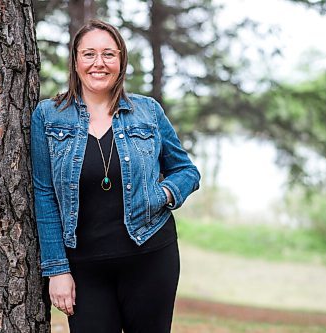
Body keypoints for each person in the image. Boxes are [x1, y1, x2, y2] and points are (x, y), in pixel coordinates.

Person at [31, 19, 200, 333]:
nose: (99, 63)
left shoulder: (148, 111)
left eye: (109, 54)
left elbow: (186, 171)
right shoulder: (48, 115)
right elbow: (44, 194)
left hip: (150, 255)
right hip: (84, 267)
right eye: (89, 54)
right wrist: (57, 269)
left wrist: (162, 194)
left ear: (121, 61)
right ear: (75, 61)